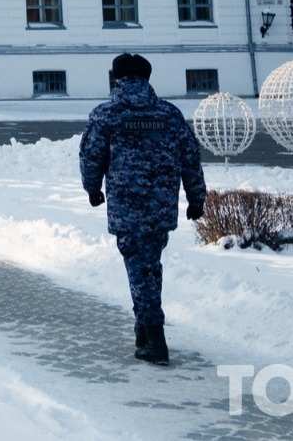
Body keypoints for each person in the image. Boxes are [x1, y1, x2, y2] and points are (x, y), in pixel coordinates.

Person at [79, 53, 206, 364]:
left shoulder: (106, 115)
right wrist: (196, 197)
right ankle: (143, 328)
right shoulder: (169, 114)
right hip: (161, 206)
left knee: (140, 267)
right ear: (147, 78)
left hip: (127, 206)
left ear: (117, 78)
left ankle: (154, 336)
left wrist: (93, 189)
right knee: (149, 265)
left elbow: (91, 157)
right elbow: (191, 157)